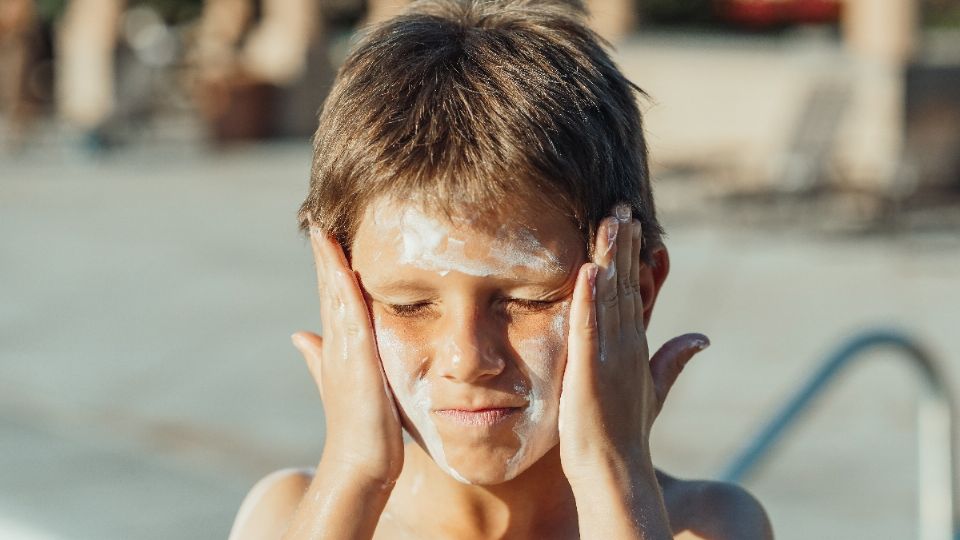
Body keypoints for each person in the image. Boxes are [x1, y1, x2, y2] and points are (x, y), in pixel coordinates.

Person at [229, 0, 774, 538]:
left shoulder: (705, 525)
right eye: (409, 305)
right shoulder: (291, 516)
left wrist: (611, 472)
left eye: (526, 300)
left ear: (638, 290)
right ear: (338, 298)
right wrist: (353, 474)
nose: (468, 360)